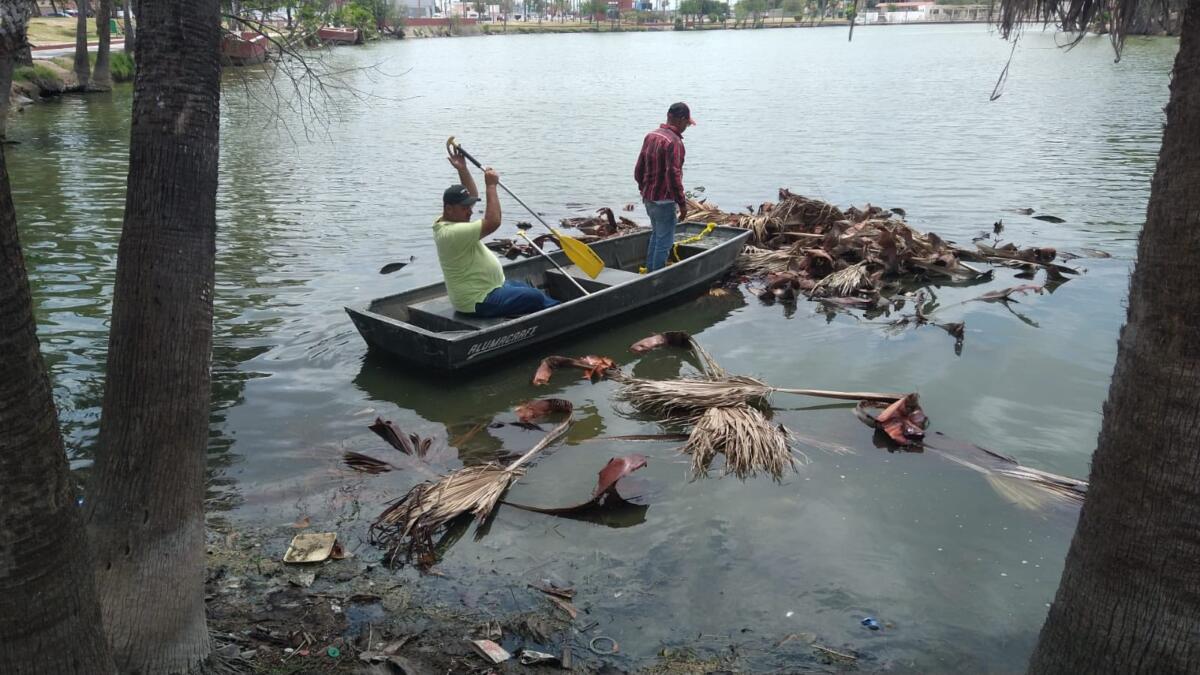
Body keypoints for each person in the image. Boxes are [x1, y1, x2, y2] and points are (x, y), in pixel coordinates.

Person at [435, 149, 559, 318]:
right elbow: (493, 222)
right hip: (478, 301)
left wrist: (462, 169)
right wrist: (491, 185)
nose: (470, 212)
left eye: (469, 206)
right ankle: (559, 313)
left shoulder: (449, 219)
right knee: (535, 296)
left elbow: (473, 195)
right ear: (449, 209)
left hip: (491, 287)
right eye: (465, 208)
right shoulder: (451, 232)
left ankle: (558, 308)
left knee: (526, 288)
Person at [634, 102, 695, 272]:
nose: (686, 127)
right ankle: (656, 277)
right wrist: (682, 204)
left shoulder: (651, 135)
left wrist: (643, 190)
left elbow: (639, 167)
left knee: (657, 235)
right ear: (681, 120)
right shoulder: (674, 142)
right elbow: (673, 175)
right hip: (664, 201)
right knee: (664, 242)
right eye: (687, 124)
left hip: (649, 198)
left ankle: (649, 272)